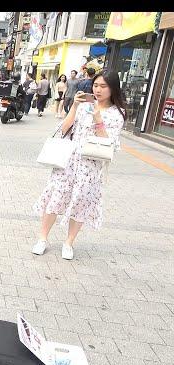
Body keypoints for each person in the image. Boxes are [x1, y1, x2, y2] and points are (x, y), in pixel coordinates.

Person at [32, 70, 126, 260]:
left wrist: (99, 119)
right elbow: (65, 129)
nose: (98, 90)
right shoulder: (84, 106)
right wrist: (74, 106)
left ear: (113, 88)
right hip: (68, 161)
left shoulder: (117, 115)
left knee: (80, 204)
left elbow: (109, 144)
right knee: (56, 198)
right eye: (96, 85)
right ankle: (42, 238)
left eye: (103, 86)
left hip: (90, 168)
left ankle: (69, 243)